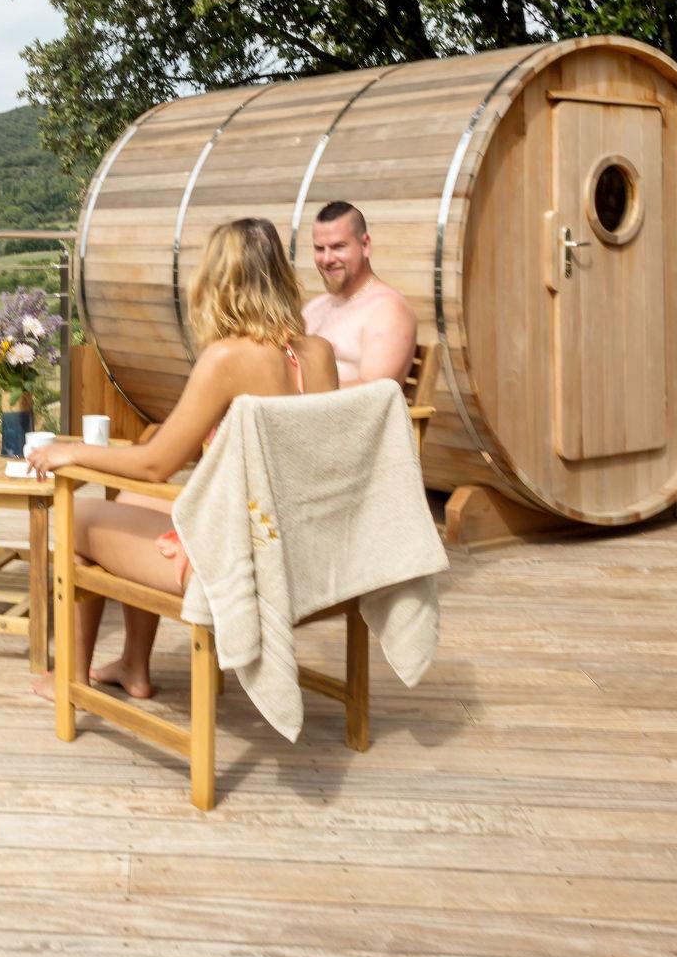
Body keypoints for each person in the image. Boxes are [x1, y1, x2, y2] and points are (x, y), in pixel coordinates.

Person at [26, 218, 338, 701]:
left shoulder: (228, 358)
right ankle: (133, 665)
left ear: (218, 281)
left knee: (79, 515)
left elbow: (156, 464)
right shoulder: (318, 353)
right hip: (298, 548)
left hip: (238, 558)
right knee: (131, 500)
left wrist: (71, 452)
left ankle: (69, 674)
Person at [304, 200, 418, 387]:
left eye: (338, 247)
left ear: (365, 245)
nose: (327, 259)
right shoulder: (316, 306)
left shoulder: (388, 310)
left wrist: (295, 384)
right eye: (319, 248)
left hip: (349, 415)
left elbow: (375, 394)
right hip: (303, 410)